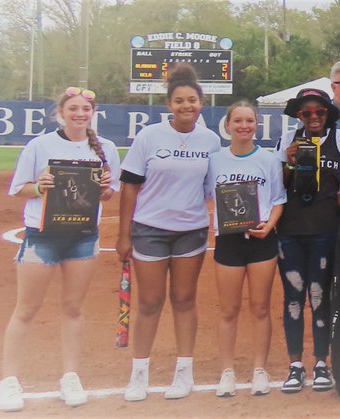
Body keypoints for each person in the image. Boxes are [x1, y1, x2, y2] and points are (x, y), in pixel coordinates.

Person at [0, 87, 120, 412]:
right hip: (43, 233)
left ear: (92, 113)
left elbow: (108, 194)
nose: (80, 114)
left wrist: (106, 189)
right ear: (60, 113)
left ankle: (70, 376)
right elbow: (19, 188)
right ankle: (8, 380)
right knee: (26, 309)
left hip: (82, 235)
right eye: (74, 108)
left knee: (73, 308)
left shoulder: (106, 148)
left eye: (85, 109)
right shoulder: (40, 145)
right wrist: (40, 187)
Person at [117, 64, 222, 401]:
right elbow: (130, 186)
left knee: (184, 300)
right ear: (169, 105)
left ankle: (184, 371)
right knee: (149, 302)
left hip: (191, 230)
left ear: (201, 103)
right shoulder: (149, 136)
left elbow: (213, 188)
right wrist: (123, 235)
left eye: (192, 100)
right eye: (179, 101)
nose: (186, 106)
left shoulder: (210, 140)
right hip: (149, 230)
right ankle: (139, 373)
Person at [274, 88, 340, 393]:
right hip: (291, 231)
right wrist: (289, 161)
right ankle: (295, 365)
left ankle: (322, 362)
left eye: (319, 112)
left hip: (327, 230)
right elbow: (276, 186)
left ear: (328, 115)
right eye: (306, 113)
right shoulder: (287, 141)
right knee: (294, 299)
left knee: (321, 297)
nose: (313, 117)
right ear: (299, 115)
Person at [208, 102, 286, 396]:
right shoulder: (215, 160)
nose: (244, 126)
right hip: (228, 240)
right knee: (228, 309)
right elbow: (205, 194)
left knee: (260, 308)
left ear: (256, 125)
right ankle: (227, 371)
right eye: (237, 121)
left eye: (249, 120)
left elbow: (278, 199)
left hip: (261, 239)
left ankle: (259, 370)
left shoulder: (268, 160)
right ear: (227, 125)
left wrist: (269, 226)